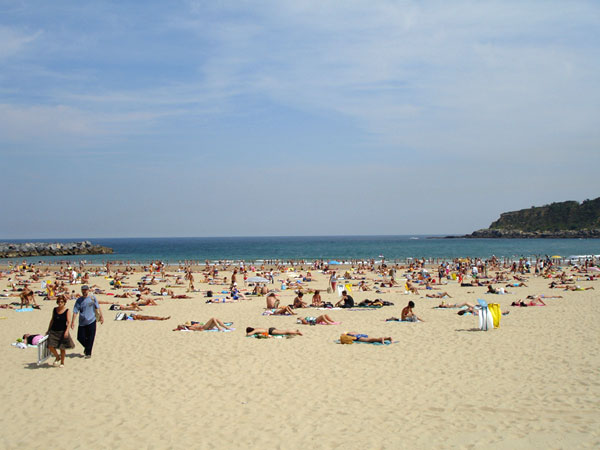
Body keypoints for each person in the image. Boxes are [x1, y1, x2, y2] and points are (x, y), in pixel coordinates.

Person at [71, 285, 103, 359]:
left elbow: (98, 307)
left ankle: (88, 353)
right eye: (83, 290)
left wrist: (101, 317)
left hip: (92, 320)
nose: (84, 291)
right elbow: (75, 311)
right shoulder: (79, 300)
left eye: (86, 290)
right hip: (82, 322)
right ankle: (87, 348)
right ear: (81, 291)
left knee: (91, 337)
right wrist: (73, 322)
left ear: (88, 290)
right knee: (80, 337)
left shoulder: (92, 298)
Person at [46, 295, 75, 367]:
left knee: (62, 348)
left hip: (62, 331)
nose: (60, 303)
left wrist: (67, 331)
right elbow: (52, 320)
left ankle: (62, 362)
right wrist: (48, 330)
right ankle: (57, 357)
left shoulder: (67, 311)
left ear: (64, 302)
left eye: (61, 302)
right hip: (53, 330)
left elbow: (68, 322)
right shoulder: (55, 309)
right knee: (50, 345)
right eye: (58, 301)